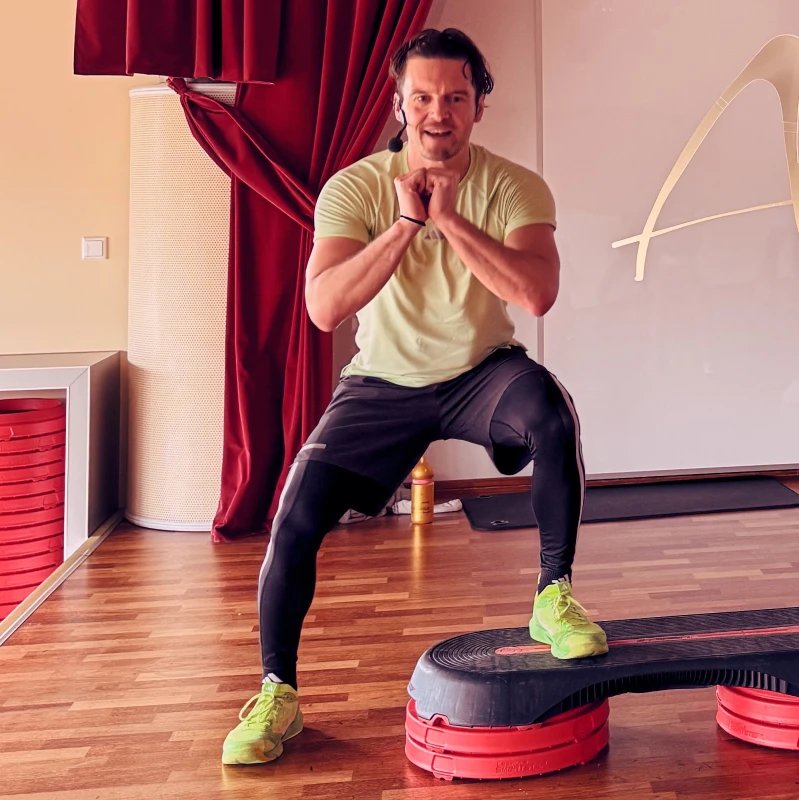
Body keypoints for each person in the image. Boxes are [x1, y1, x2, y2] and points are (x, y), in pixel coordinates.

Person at [222, 27, 608, 767]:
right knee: (296, 511)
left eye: (456, 97)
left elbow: (536, 294)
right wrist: (407, 222)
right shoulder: (355, 188)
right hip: (382, 381)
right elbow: (324, 308)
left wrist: (450, 218)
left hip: (481, 371)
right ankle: (277, 691)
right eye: (423, 97)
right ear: (399, 104)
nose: (439, 113)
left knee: (551, 413)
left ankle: (552, 594)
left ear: (478, 106)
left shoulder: (514, 186)